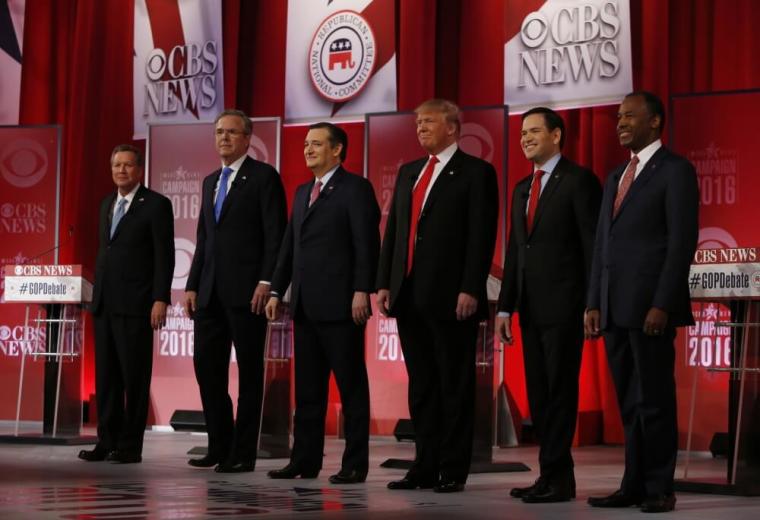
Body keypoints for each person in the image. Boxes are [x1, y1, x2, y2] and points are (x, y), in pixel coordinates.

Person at [376, 98, 498, 493]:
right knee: (422, 385)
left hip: (451, 296)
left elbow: (481, 235)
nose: (420, 129)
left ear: (452, 127)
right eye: (417, 123)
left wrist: (470, 286)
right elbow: (394, 232)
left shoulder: (476, 172)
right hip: (409, 294)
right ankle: (423, 465)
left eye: (428, 122)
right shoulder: (410, 171)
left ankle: (452, 468)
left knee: (453, 385)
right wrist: (385, 282)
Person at [585, 91, 699, 513]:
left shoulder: (675, 171)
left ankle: (659, 488)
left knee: (654, 401)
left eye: (630, 116)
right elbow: (603, 244)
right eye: (618, 117)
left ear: (655, 122)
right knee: (630, 404)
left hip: (650, 307)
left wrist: (663, 303)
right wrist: (594, 300)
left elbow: (680, 242)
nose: (620, 123)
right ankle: (632, 484)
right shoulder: (616, 176)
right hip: (614, 308)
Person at [265, 122, 380, 484]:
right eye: (306, 144)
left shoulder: (355, 189)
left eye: (317, 144)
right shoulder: (301, 192)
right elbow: (288, 248)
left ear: (337, 150)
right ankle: (304, 460)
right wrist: (274, 290)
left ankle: (354, 464)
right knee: (309, 391)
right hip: (304, 306)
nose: (308, 149)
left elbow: (366, 244)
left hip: (342, 306)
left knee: (351, 389)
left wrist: (362, 289)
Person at [496, 107, 601, 502]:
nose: (525, 138)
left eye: (534, 131)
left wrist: (593, 301)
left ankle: (561, 479)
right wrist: (505, 308)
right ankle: (549, 475)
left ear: (557, 135)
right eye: (523, 132)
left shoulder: (579, 181)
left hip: (566, 305)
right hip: (530, 310)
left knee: (559, 392)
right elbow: (515, 251)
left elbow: (592, 247)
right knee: (539, 395)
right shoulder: (523, 187)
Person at [184, 109, 287, 473]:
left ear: (247, 138)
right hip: (209, 293)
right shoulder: (211, 180)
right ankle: (219, 445)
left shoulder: (263, 177)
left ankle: (243, 452)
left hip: (248, 294)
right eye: (219, 133)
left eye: (231, 133)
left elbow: (275, 236)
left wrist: (267, 282)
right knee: (207, 370)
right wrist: (192, 283)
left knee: (248, 374)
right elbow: (203, 238)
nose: (224, 139)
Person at [80, 144, 175, 464]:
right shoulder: (107, 202)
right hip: (104, 303)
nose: (121, 170)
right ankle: (106, 440)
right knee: (106, 377)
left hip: (137, 304)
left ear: (139, 170)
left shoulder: (156, 205)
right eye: (116, 165)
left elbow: (165, 256)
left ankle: (130, 445)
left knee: (134, 378)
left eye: (127, 165)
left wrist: (160, 297)